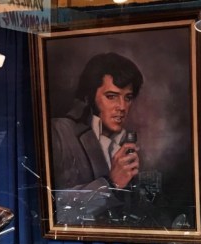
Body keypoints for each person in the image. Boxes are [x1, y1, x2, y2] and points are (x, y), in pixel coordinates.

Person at [49, 52, 144, 226]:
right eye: (111, 96)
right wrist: (111, 183)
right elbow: (56, 208)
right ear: (89, 97)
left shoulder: (128, 145)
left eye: (128, 98)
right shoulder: (59, 131)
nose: (122, 107)